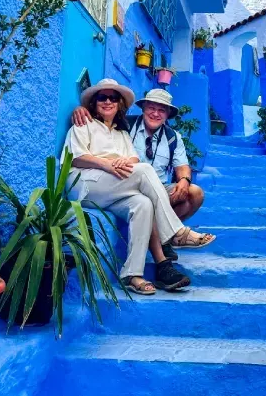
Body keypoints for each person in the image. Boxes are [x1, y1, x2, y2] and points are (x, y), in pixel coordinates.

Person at [61, 79, 216, 295]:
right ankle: (176, 233)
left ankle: (132, 274)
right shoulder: (84, 124)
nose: (108, 102)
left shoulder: (122, 132)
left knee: (143, 204)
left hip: (117, 186)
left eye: (113, 98)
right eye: (102, 97)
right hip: (84, 184)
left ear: (119, 104)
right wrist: (107, 164)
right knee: (144, 171)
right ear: (94, 103)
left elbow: (133, 158)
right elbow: (76, 157)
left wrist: (126, 163)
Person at [72, 88, 207, 261]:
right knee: (145, 197)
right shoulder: (124, 125)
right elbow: (103, 115)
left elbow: (182, 166)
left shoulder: (173, 137)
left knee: (195, 193)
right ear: (143, 108)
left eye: (161, 110)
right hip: (128, 187)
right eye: (151, 108)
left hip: (161, 190)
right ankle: (172, 236)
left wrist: (184, 180)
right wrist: (80, 109)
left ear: (167, 115)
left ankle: (163, 237)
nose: (155, 113)